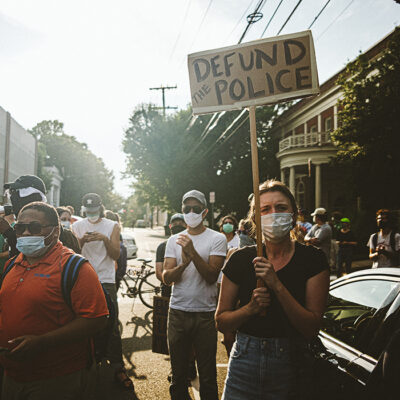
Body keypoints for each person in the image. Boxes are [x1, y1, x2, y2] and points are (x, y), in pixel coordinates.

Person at [216, 180, 330, 400]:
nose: (273, 214)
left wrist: (276, 284)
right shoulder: (240, 259)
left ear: (294, 214)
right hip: (244, 361)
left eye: (281, 207)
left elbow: (310, 328)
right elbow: (221, 321)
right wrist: (250, 308)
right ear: (255, 219)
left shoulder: (313, 260)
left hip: (292, 362)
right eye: (265, 209)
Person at [0, 202, 108, 399]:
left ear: (55, 231)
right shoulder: (12, 264)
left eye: (33, 228)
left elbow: (96, 319)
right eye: (19, 228)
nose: (24, 233)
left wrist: (42, 342)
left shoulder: (75, 267)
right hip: (12, 376)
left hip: (56, 379)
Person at [163, 190, 227, 400]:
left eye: (196, 209)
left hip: (205, 315)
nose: (191, 212)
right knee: (178, 375)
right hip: (178, 312)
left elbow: (211, 276)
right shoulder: (174, 240)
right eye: (186, 209)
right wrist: (184, 263)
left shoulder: (217, 238)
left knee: (208, 376)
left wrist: (192, 252)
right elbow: (166, 277)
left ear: (205, 212)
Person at [72, 193, 134, 390]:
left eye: (94, 210)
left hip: (106, 279)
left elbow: (116, 254)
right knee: (80, 322)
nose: (91, 213)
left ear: (100, 208)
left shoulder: (111, 226)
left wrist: (104, 240)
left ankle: (117, 366)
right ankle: (85, 365)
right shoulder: (76, 226)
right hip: (82, 277)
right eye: (88, 210)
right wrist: (81, 241)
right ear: (83, 209)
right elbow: (71, 254)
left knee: (111, 323)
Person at [155, 213, 186, 298]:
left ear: (186, 225)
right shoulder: (162, 246)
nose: (178, 226)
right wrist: (169, 283)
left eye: (181, 224)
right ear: (170, 226)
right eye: (175, 224)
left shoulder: (191, 244)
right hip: (167, 290)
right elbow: (158, 272)